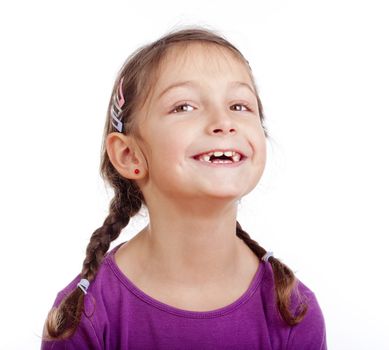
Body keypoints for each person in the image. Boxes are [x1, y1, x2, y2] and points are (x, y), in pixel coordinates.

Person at [41, 26, 327, 349]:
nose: (223, 121)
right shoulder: (85, 318)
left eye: (239, 105)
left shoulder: (293, 311)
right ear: (128, 154)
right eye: (184, 107)